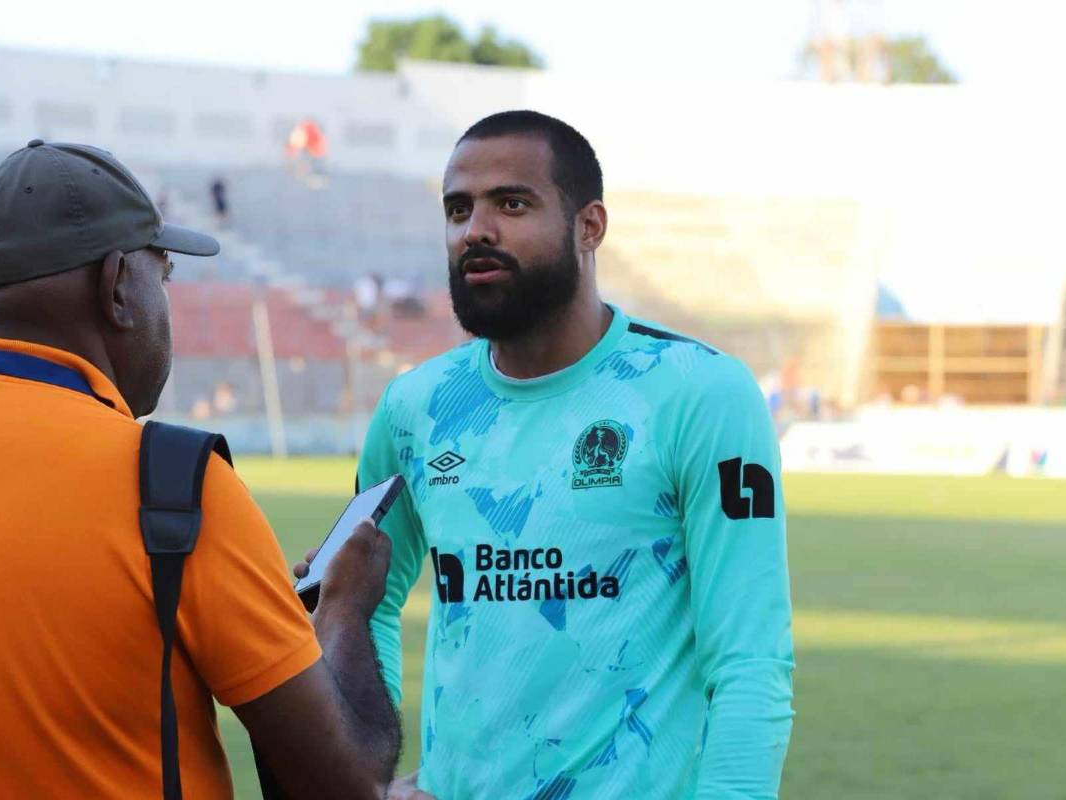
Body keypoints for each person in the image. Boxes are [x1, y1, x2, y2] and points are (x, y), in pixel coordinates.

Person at [304, 110, 795, 798]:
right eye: (458, 209)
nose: (475, 230)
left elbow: (749, 661)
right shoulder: (415, 407)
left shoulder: (699, 392)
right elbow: (359, 603)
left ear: (589, 226)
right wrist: (367, 780)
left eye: (512, 204)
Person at [0, 139, 400, 798]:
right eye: (162, 276)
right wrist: (344, 612)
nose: (165, 302)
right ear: (116, 289)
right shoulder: (175, 484)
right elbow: (348, 782)